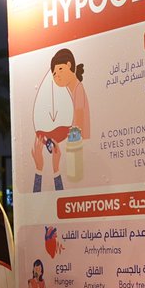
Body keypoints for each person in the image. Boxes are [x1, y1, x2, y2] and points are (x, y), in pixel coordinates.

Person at [31, 48, 90, 192]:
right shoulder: (70, 92)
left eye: (60, 70)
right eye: (54, 74)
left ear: (69, 65)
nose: (57, 77)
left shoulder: (78, 91)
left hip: (78, 153)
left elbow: (79, 129)